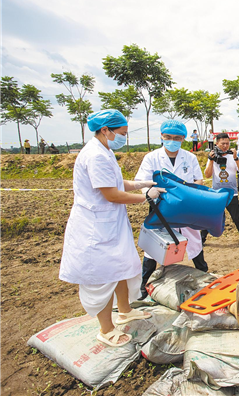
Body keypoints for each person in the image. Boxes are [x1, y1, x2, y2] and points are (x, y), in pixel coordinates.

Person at [59, 109, 162, 347]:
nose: (124, 138)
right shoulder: (95, 155)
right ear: (105, 130)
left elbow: (116, 182)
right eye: (122, 133)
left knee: (122, 266)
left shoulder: (104, 151)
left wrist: (141, 184)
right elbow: (112, 194)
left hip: (111, 224)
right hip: (96, 227)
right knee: (102, 276)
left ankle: (124, 310)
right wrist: (146, 197)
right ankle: (106, 329)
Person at [135, 119, 208, 299]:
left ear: (183, 138)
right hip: (161, 209)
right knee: (154, 249)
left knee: (195, 244)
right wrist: (149, 191)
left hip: (186, 209)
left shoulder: (189, 158)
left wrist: (191, 193)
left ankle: (206, 279)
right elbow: (141, 181)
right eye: (167, 137)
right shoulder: (152, 158)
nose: (171, 140)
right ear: (161, 136)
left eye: (176, 137)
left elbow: (198, 180)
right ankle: (144, 289)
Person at [201, 132, 239, 248]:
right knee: (211, 217)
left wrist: (236, 158)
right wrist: (211, 160)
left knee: (237, 218)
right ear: (216, 143)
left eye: (227, 143)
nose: (225, 146)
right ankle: (202, 239)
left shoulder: (232, 156)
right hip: (217, 193)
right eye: (222, 143)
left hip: (232, 194)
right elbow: (207, 175)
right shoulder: (212, 157)